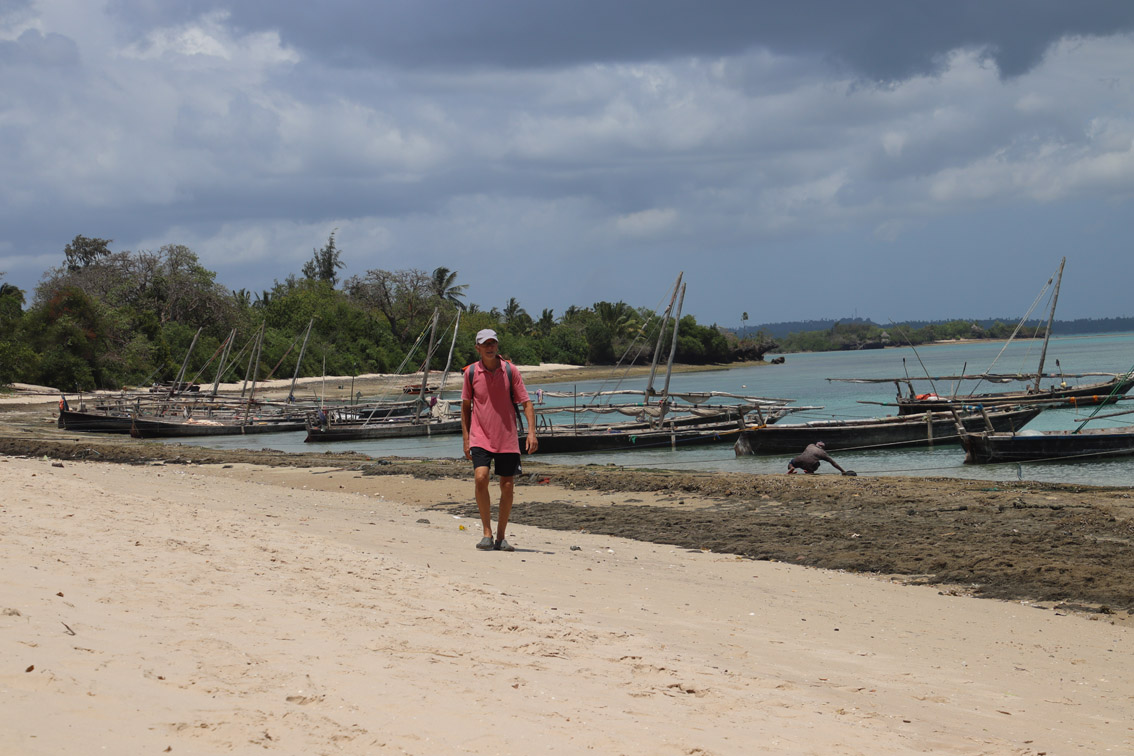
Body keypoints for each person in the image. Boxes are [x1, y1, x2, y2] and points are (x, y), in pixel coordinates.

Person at [461, 328, 538, 552]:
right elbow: (465, 407)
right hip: (480, 436)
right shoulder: (471, 373)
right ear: (477, 348)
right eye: (485, 344)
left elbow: (527, 403)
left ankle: (501, 537)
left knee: (507, 485)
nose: (490, 347)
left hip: (507, 436)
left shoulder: (510, 371)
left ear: (497, 345)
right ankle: (487, 533)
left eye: (493, 343)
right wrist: (466, 438)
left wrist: (532, 433)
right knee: (480, 478)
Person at [787, 441, 856, 475]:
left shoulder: (810, 445)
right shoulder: (823, 453)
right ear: (823, 447)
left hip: (798, 460)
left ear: (816, 444)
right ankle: (810, 471)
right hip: (810, 464)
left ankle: (792, 468)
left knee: (791, 463)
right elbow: (833, 463)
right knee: (817, 463)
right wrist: (843, 471)